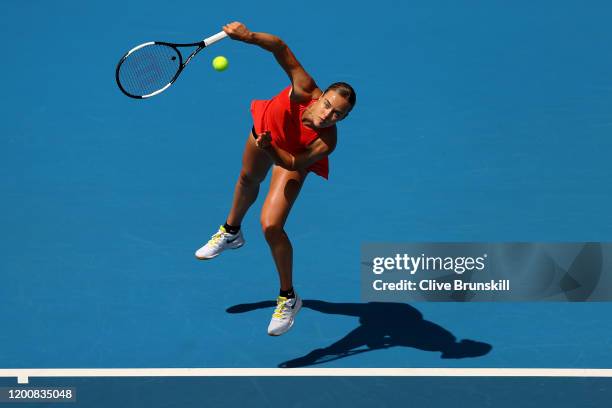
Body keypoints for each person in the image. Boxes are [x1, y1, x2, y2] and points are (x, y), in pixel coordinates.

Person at [195, 22, 356, 336]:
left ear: (343, 118)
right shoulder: (304, 86)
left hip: (287, 156)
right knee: (247, 179)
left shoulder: (327, 141)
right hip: (263, 134)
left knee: (271, 225)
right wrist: (249, 37)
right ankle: (230, 232)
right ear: (321, 97)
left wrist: (272, 148)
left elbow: (295, 161)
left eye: (338, 114)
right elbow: (280, 48)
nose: (328, 115)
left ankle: (288, 297)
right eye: (328, 105)